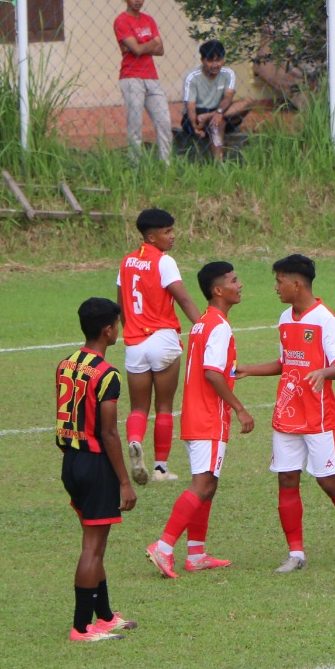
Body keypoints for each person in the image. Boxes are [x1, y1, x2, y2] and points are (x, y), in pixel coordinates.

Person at [239, 254, 335, 573]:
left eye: (279, 281)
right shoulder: (285, 318)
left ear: (296, 284)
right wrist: (249, 369)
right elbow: (285, 362)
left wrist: (324, 373)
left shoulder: (325, 319)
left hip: (318, 418)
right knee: (287, 480)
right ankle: (296, 553)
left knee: (329, 483)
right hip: (286, 415)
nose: (276, 288)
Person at [145, 261, 255, 578]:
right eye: (234, 280)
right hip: (208, 418)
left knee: (210, 484)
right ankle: (163, 548)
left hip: (195, 415)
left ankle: (196, 554)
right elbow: (212, 373)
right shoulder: (218, 326)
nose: (240, 285)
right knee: (202, 484)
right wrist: (239, 408)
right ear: (219, 290)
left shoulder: (202, 323)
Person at [56, 298, 138, 642]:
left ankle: (103, 615)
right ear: (108, 330)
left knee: (96, 543)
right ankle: (81, 626)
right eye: (117, 324)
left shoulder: (66, 363)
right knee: (93, 547)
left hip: (71, 461)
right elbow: (108, 432)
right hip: (94, 464)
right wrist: (124, 481)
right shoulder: (107, 375)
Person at [117, 208, 202, 485]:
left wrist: (129, 328)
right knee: (164, 406)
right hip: (162, 339)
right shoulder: (164, 261)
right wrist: (204, 327)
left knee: (138, 408)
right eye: (167, 232)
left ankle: (134, 441)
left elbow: (121, 305)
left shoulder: (126, 262)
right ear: (151, 237)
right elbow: (184, 300)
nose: (172, 236)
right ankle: (161, 469)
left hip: (135, 344)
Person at [114, 0, 170, 162]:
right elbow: (138, 50)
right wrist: (151, 43)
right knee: (135, 126)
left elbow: (160, 50)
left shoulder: (149, 20)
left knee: (164, 122)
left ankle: (166, 164)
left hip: (152, 77)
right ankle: (134, 166)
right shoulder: (121, 21)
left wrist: (141, 45)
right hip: (131, 77)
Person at [184, 39, 250, 162]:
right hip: (199, 114)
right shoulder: (192, 77)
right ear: (202, 60)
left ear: (223, 59)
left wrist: (217, 113)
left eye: (218, 60)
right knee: (217, 123)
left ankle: (213, 116)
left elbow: (228, 98)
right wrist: (194, 125)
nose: (215, 65)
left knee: (247, 102)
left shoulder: (228, 73)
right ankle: (219, 162)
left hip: (221, 111)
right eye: (210, 60)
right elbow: (190, 106)